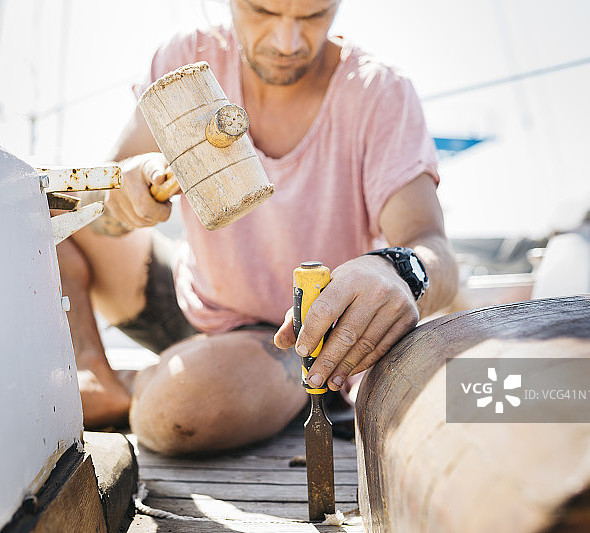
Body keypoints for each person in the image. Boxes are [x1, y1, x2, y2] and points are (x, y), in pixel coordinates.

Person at [58, 0, 459, 455]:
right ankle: (96, 373)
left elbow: (432, 247)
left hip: (292, 338)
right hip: (190, 296)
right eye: (262, 11)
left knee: (175, 414)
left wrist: (397, 270)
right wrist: (125, 199)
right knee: (52, 213)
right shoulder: (186, 58)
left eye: (312, 16)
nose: (286, 43)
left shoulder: (379, 92)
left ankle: (149, 384)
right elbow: (100, 208)